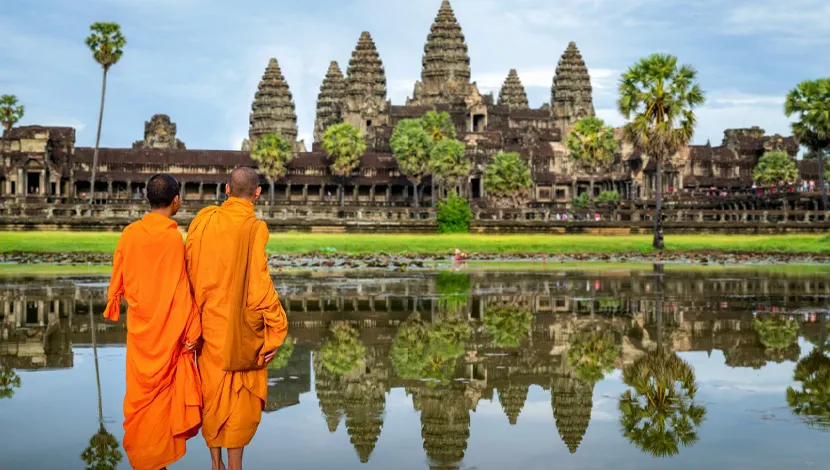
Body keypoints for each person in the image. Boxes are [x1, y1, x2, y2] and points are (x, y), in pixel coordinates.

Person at [185, 167, 288, 470]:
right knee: (237, 397)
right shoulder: (254, 228)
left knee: (212, 392)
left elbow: (189, 269)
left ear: (226, 189)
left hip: (207, 326)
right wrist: (277, 329)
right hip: (240, 331)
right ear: (257, 193)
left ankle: (214, 462)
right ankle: (234, 466)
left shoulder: (203, 220)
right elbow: (260, 286)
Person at [103, 173, 202, 470]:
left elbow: (118, 276)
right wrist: (193, 327)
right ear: (176, 200)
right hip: (168, 332)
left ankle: (149, 461)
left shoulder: (130, 233)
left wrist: (114, 302)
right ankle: (156, 460)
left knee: (140, 398)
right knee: (161, 402)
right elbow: (181, 288)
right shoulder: (173, 238)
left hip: (141, 331)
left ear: (148, 199)